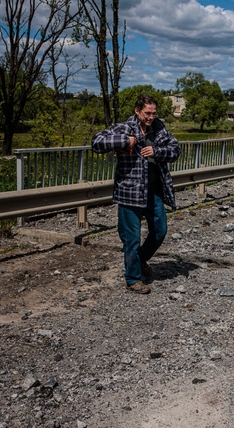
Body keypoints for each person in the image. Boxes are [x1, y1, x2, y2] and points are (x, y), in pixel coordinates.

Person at [91, 95, 181, 294]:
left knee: (160, 230)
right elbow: (96, 143)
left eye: (153, 113)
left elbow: (175, 150)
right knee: (131, 238)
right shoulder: (124, 128)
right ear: (137, 111)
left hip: (153, 191)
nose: (151, 117)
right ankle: (133, 279)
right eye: (147, 113)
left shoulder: (159, 129)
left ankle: (139, 261)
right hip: (129, 192)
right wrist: (125, 141)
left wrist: (157, 151)